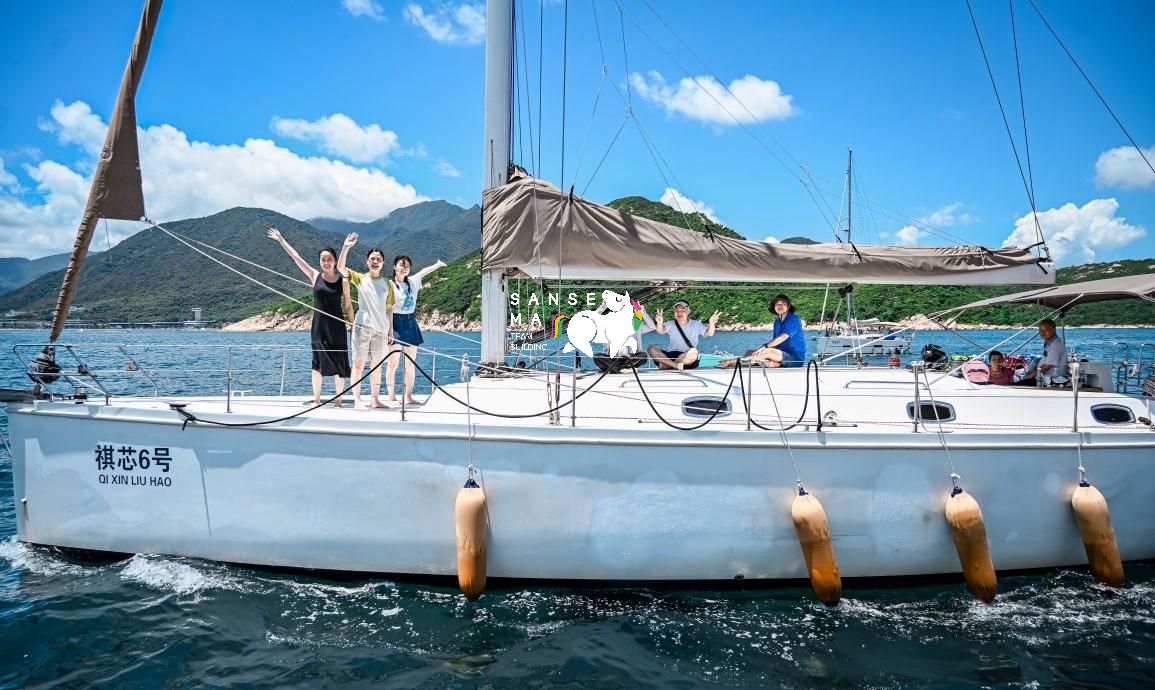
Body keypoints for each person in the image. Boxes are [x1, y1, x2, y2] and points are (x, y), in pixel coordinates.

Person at [268, 227, 355, 407]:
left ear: (335, 261)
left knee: (340, 362)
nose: (326, 262)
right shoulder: (315, 276)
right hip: (319, 327)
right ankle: (316, 400)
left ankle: (338, 402)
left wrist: (353, 325)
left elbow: (348, 305)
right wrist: (281, 240)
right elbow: (296, 257)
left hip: (337, 327)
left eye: (329, 259)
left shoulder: (343, 281)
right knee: (317, 363)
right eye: (323, 259)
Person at [337, 233, 395, 409]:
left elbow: (389, 309)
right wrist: (346, 246)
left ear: (383, 263)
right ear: (367, 262)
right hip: (362, 326)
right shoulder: (360, 278)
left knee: (377, 365)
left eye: (378, 259)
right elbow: (340, 267)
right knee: (359, 363)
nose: (375, 261)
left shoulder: (388, 284)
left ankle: (375, 399)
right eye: (372, 259)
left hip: (381, 329)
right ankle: (358, 399)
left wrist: (391, 331)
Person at [386, 255, 446, 405]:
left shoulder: (413, 281)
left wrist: (438, 265)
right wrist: (390, 330)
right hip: (395, 321)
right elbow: (389, 308)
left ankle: (408, 396)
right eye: (401, 265)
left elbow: (424, 272)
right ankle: (391, 396)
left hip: (410, 321)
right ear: (394, 267)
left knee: (410, 363)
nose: (404, 268)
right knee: (393, 363)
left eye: (407, 266)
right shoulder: (389, 284)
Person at [721, 294, 806, 368]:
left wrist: (765, 347)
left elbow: (783, 337)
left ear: (788, 306)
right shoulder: (777, 322)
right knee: (750, 352)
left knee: (765, 352)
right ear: (774, 307)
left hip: (795, 357)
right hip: (780, 354)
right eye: (777, 304)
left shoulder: (793, 319)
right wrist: (760, 350)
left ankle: (733, 362)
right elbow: (775, 344)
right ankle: (770, 363)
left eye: (783, 304)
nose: (780, 306)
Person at [647, 300, 720, 370]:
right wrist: (659, 323)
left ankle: (667, 365)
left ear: (688, 311)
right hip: (671, 355)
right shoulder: (670, 324)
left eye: (682, 310)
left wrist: (712, 323)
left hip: (686, 355)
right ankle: (675, 365)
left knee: (694, 352)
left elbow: (709, 333)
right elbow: (660, 331)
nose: (679, 313)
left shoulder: (696, 324)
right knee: (651, 348)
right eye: (677, 310)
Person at [1016, 319, 1069, 386]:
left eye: (1046, 330)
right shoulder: (1049, 342)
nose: (1043, 333)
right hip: (1043, 376)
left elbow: (1046, 367)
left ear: (1054, 329)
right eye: (1041, 330)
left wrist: (1029, 376)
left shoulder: (1055, 345)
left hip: (1050, 379)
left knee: (1016, 385)